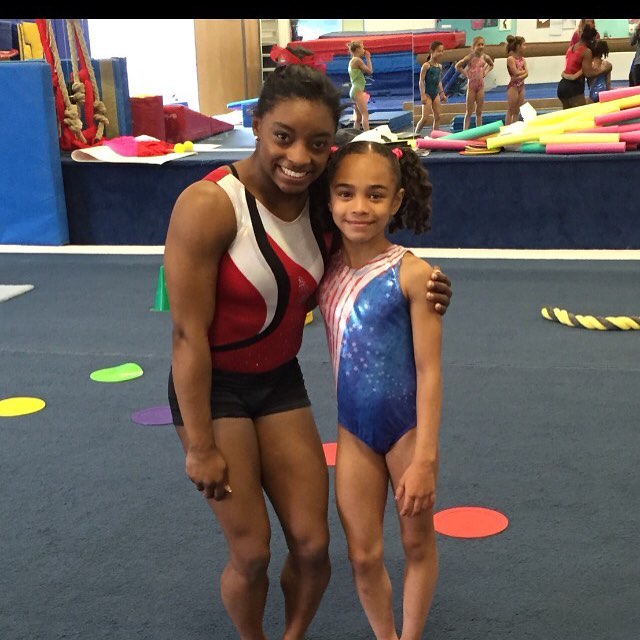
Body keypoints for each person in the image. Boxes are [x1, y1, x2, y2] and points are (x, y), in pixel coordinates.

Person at [163, 63, 454, 640]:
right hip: (214, 388)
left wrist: (430, 285)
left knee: (315, 547)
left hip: (279, 382)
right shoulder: (209, 205)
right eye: (283, 137)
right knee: (251, 554)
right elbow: (186, 336)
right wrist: (198, 444)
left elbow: (368, 257)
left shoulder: (319, 205)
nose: (299, 156)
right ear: (256, 123)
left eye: (318, 144)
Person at [318, 140, 441, 640]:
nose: (359, 208)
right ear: (328, 200)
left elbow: (430, 371)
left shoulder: (414, 274)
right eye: (345, 194)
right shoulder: (322, 269)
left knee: (417, 546)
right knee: (362, 554)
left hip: (407, 432)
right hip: (354, 433)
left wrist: (425, 459)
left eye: (374, 195)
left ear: (396, 200)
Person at [455, 36, 494, 130]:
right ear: (473, 46)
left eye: (482, 44)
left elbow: (491, 64)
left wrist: (485, 71)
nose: (481, 46)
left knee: (479, 111)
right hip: (471, 86)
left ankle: (479, 131)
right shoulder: (470, 57)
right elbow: (458, 66)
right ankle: (465, 131)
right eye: (478, 44)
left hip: (480, 86)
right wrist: (465, 74)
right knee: (469, 111)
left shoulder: (485, 57)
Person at [557, 24, 599, 109]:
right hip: (573, 88)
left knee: (567, 117)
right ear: (591, 40)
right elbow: (588, 73)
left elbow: (572, 68)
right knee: (580, 116)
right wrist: (603, 70)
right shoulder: (586, 51)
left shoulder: (571, 48)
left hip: (562, 86)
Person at [414, 40, 448, 135]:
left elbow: (438, 81)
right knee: (424, 118)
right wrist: (422, 95)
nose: (441, 53)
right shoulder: (426, 65)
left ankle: (435, 136)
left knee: (437, 117)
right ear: (432, 51)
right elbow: (421, 81)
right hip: (427, 94)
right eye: (438, 51)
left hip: (435, 94)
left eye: (442, 51)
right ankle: (415, 134)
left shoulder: (439, 66)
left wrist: (442, 94)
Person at [347, 41, 373, 131]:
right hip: (357, 90)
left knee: (358, 118)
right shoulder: (357, 60)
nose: (364, 50)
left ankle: (355, 135)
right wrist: (368, 58)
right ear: (357, 49)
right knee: (365, 114)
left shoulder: (352, 61)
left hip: (354, 90)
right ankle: (368, 136)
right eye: (362, 48)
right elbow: (369, 71)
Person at [505, 35, 528, 126]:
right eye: (524, 45)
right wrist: (522, 74)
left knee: (517, 110)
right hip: (513, 87)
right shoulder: (511, 59)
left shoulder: (523, 60)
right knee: (511, 110)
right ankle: (506, 129)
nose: (525, 47)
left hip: (521, 87)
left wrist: (520, 75)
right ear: (518, 46)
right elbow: (516, 73)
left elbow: (527, 73)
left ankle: (514, 129)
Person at [629, 22, 640, 87]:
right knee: (637, 85)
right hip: (638, 62)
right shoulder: (638, 31)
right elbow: (632, 42)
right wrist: (637, 30)